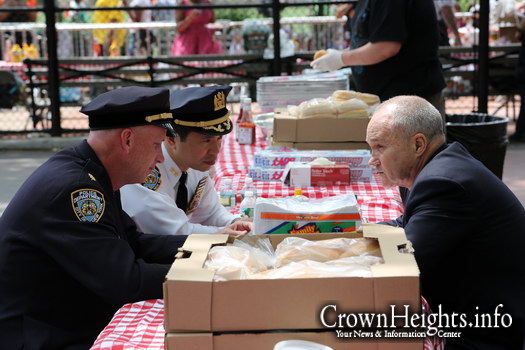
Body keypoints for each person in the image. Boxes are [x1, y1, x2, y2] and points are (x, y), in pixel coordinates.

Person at [0, 86, 188, 350]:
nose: (160, 158)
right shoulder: (77, 189)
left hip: (65, 320)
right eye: (156, 145)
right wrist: (202, 274)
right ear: (127, 140)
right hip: (40, 338)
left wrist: (201, 248)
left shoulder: (92, 172)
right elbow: (127, 282)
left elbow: (132, 242)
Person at [366, 95, 525, 349]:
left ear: (418, 144)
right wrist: (353, 234)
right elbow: (405, 224)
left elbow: (403, 261)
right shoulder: (432, 169)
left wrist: (342, 254)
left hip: (489, 332)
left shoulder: (443, 183)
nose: (372, 160)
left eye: (379, 147)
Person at [121, 85, 252, 236]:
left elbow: (210, 213)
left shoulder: (195, 163)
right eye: (206, 140)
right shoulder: (146, 170)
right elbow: (174, 231)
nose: (215, 150)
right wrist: (224, 232)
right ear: (171, 140)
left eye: (219, 139)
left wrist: (234, 223)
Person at [310, 0, 446, 118]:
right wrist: (340, 55)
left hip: (409, 102)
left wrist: (342, 58)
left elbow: (386, 47)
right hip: (391, 99)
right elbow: (373, 41)